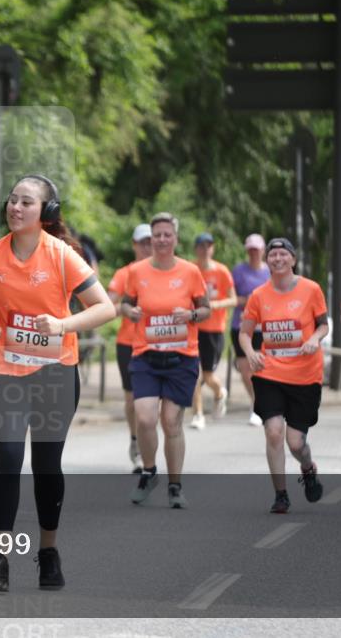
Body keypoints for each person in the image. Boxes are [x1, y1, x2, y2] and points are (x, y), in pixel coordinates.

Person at [0, 175, 114, 592]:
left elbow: (105, 308)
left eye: (26, 202)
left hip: (55, 373)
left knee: (46, 468)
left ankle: (48, 551)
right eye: (12, 200)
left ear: (44, 214)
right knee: (8, 459)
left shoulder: (62, 256)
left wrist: (63, 324)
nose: (15, 208)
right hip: (7, 370)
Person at [122, 213, 210, 508]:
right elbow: (125, 301)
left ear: (175, 239)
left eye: (166, 234)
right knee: (145, 417)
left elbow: (206, 309)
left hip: (181, 357)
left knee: (171, 421)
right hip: (146, 355)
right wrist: (129, 311)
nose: (160, 239)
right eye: (155, 235)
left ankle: (175, 486)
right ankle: (149, 472)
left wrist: (192, 315)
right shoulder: (136, 271)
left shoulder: (190, 272)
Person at [239, 238, 328, 514]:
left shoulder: (311, 289)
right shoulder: (258, 295)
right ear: (267, 261)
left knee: (296, 442)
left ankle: (307, 467)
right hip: (270, 373)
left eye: (282, 254)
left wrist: (314, 338)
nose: (277, 258)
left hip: (305, 375)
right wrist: (251, 352)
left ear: (293, 259)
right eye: (272, 254)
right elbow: (244, 332)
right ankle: (281, 495)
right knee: (274, 432)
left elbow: (324, 325)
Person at [107, 224, 152, 472]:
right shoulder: (124, 274)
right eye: (142, 242)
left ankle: (147, 443)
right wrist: (126, 309)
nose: (146, 246)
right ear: (134, 245)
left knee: (151, 401)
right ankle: (135, 441)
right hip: (128, 343)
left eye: (150, 241)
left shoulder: (162, 272)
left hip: (156, 344)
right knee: (132, 399)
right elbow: (107, 307)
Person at [190, 232, 237, 430]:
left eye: (208, 246)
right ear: (196, 249)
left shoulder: (222, 271)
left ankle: (219, 393)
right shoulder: (191, 270)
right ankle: (198, 414)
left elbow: (234, 299)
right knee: (195, 374)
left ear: (212, 248)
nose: (204, 249)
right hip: (194, 328)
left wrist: (215, 305)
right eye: (201, 246)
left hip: (214, 330)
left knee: (208, 376)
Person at [231, 234, 271, 426]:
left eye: (257, 250)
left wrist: (254, 304)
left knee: (260, 367)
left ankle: (258, 406)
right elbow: (233, 298)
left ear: (263, 251)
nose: (253, 253)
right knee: (244, 368)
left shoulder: (270, 272)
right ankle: (256, 401)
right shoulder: (238, 271)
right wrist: (249, 302)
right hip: (240, 325)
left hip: (262, 327)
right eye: (250, 250)